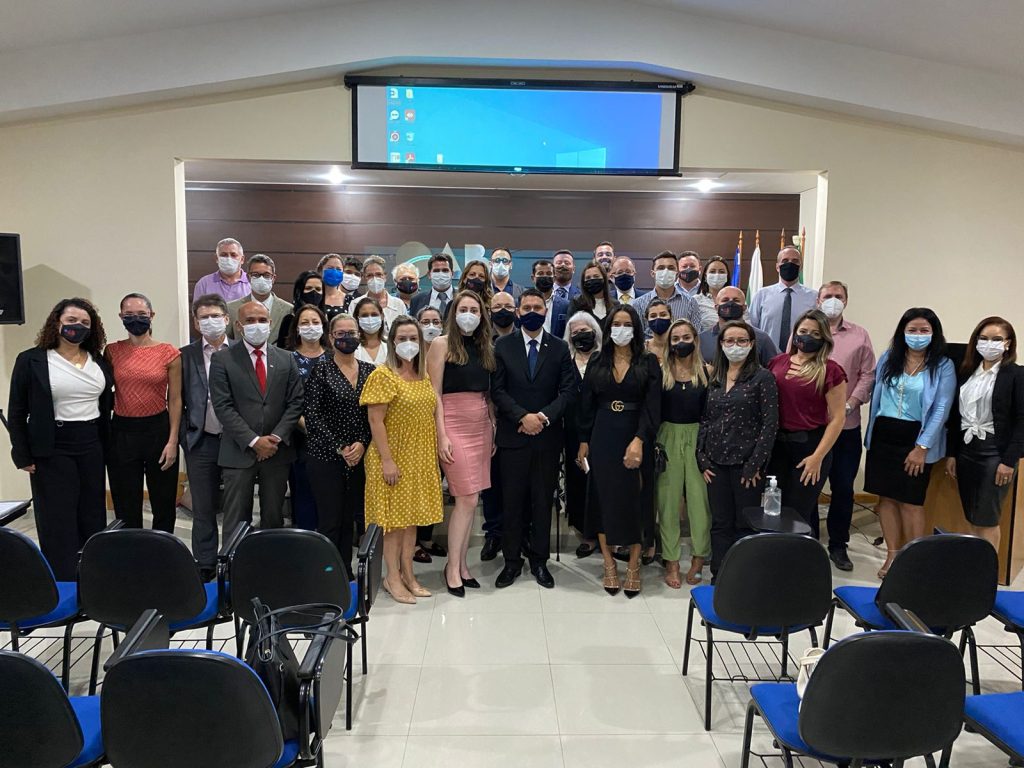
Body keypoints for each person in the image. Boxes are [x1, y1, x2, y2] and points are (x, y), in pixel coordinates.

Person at [8, 298, 113, 580]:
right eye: (71, 321)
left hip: (91, 443)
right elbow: (17, 411)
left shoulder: (98, 361)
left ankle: (92, 576)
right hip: (53, 446)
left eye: (85, 323)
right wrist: (22, 453)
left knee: (92, 513)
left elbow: (105, 405)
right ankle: (63, 579)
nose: (78, 326)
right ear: (57, 322)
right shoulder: (31, 360)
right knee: (57, 516)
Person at [492, 288, 576, 589]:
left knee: (542, 502)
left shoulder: (559, 348)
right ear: (518, 312)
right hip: (513, 436)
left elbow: (568, 391)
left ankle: (540, 561)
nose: (531, 312)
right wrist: (522, 417)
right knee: (512, 502)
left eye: (537, 307)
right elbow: (497, 390)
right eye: (525, 307)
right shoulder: (502, 345)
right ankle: (511, 562)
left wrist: (542, 417)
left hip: (546, 438)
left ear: (545, 311)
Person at [864, 308, 955, 578]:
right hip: (884, 433)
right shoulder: (889, 358)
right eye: (912, 330)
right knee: (886, 498)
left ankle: (913, 560)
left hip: (916, 436)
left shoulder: (943, 365)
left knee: (911, 501)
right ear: (902, 332)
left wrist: (922, 446)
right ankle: (893, 555)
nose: (917, 335)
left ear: (934, 334)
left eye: (924, 330)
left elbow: (941, 408)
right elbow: (877, 395)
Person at [577, 305, 661, 597]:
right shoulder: (597, 359)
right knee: (603, 499)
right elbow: (586, 403)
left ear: (636, 329)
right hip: (603, 434)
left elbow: (653, 406)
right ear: (608, 328)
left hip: (636, 434)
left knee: (635, 500)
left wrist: (640, 439)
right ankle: (609, 563)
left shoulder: (648, 361)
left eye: (627, 324)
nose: (621, 329)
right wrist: (584, 440)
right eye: (616, 324)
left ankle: (634, 565)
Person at [360, 317, 444, 604]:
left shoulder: (423, 375)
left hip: (418, 457)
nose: (408, 344)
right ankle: (392, 577)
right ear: (392, 342)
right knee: (393, 524)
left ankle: (409, 574)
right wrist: (387, 460)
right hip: (392, 456)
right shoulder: (383, 375)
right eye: (402, 338)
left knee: (411, 522)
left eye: (413, 338)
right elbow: (375, 421)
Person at [209, 301, 304, 532]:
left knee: (274, 519)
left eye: (262, 320)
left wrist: (275, 438)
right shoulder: (222, 359)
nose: (257, 325)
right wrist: (254, 441)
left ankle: (269, 556)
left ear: (270, 323)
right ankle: (234, 556)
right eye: (250, 321)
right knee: (236, 520)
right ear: (239, 326)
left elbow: (295, 402)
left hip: (277, 451)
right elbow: (223, 406)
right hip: (239, 450)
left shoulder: (287, 358)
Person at [697, 321, 779, 578]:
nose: (735, 346)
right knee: (720, 523)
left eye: (741, 340)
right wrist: (701, 457)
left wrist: (755, 464)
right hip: (715, 463)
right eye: (729, 341)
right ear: (721, 345)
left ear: (751, 344)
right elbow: (706, 419)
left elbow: (770, 425)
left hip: (747, 467)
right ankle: (719, 575)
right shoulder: (716, 378)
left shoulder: (763, 378)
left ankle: (741, 578)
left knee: (744, 524)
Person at [427, 290, 496, 596]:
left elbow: (488, 394)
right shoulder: (441, 344)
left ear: (482, 315)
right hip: (452, 424)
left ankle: (463, 565)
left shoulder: (485, 348)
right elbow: (434, 393)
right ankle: (452, 568)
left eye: (474, 309)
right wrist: (441, 435)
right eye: (463, 309)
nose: (469, 314)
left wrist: (493, 427)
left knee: (472, 497)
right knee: (465, 498)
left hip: (481, 425)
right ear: (453, 313)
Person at [766, 309, 848, 538]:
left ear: (824, 338)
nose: (807, 337)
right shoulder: (776, 362)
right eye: (803, 331)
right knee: (774, 511)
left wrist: (817, 457)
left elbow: (838, 418)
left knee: (798, 514)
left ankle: (801, 558)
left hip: (809, 447)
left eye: (815, 333)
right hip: (777, 447)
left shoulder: (831, 370)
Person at [304, 313, 374, 579]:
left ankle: (345, 570)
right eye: (341, 334)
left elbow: (374, 415)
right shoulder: (320, 370)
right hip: (326, 455)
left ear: (359, 335)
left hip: (359, 455)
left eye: (351, 333)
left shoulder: (370, 372)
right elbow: (312, 415)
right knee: (330, 519)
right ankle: (327, 574)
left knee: (349, 517)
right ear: (331, 338)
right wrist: (340, 447)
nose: (347, 338)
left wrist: (362, 443)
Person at [105, 293, 182, 532]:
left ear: (151, 315)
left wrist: (172, 441)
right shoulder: (112, 351)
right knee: (125, 499)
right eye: (129, 315)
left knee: (163, 499)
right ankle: (130, 548)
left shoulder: (169, 352)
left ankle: (163, 547)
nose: (135, 319)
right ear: (121, 317)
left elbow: (175, 399)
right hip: (122, 432)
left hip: (158, 430)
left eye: (141, 314)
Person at [946, 317, 1024, 552]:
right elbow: (955, 416)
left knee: (987, 518)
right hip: (967, 450)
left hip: (995, 454)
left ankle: (987, 571)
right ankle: (974, 566)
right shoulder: (967, 372)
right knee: (971, 515)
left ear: (1008, 343)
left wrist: (1008, 461)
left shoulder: (1016, 374)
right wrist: (952, 454)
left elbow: (1022, 421)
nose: (989, 343)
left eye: (997, 339)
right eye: (984, 338)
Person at [818, 281, 876, 571]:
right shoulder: (806, 331)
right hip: (812, 426)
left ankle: (838, 545)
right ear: (818, 301)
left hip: (847, 426)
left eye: (838, 296)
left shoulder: (859, 335)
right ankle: (807, 540)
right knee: (808, 486)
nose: (833, 300)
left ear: (846, 301)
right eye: (827, 296)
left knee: (843, 487)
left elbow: (868, 375)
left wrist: (850, 403)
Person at [179, 294, 230, 581]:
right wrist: (184, 436)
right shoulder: (184, 355)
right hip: (201, 439)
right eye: (204, 317)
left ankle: (233, 558)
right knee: (203, 506)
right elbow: (177, 400)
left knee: (236, 507)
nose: (210, 321)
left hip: (235, 440)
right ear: (196, 323)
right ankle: (205, 562)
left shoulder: (240, 352)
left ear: (226, 319)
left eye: (215, 316)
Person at [656, 319, 711, 587]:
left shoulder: (708, 372)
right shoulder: (661, 372)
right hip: (667, 437)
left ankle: (699, 558)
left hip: (699, 438)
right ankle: (672, 561)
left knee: (700, 502)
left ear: (695, 340)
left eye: (686, 337)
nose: (681, 343)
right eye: (675, 338)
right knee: (667, 502)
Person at [284, 304, 330, 531]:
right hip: (300, 437)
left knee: (330, 495)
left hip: (333, 438)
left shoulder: (335, 357)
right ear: (296, 328)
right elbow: (286, 400)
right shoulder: (287, 359)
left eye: (315, 322)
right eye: (305, 322)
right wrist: (310, 427)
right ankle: (305, 538)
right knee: (303, 491)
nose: (310, 327)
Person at [479, 291, 517, 561]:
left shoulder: (525, 339)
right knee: (491, 482)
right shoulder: (482, 343)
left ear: (516, 310)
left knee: (519, 483)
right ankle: (494, 533)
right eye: (497, 306)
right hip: (488, 421)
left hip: (520, 421)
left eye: (508, 306)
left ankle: (520, 533)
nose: (503, 310)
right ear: (490, 312)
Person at [563, 312, 603, 558]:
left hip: (603, 430)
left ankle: (607, 533)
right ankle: (586, 534)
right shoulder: (565, 361)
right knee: (578, 481)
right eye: (575, 332)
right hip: (572, 431)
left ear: (595, 332)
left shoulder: (605, 359)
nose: (580, 336)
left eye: (585, 331)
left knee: (604, 483)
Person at [413, 305, 448, 564]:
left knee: (433, 485)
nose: (431, 326)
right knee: (415, 488)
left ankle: (426, 537)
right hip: (414, 430)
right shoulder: (409, 354)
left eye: (436, 321)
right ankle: (412, 542)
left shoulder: (446, 351)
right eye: (425, 321)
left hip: (442, 425)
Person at [748, 247, 818, 353]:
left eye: (795, 261)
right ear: (777, 266)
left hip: (801, 356)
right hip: (766, 356)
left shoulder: (813, 297)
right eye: (785, 261)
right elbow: (752, 328)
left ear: (801, 267)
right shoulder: (761, 295)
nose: (790, 264)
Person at [699, 286, 779, 367]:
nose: (730, 303)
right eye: (725, 300)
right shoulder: (701, 339)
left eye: (736, 300)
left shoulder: (761, 338)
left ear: (744, 308)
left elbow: (774, 369)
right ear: (716, 308)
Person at [226, 254, 293, 344]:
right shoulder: (231, 308)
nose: (261, 279)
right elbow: (228, 341)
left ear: (273, 278)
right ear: (248, 277)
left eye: (266, 275)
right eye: (255, 275)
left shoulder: (288, 309)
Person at [634, 251, 701, 334]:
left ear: (677, 274)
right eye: (661, 268)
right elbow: (638, 337)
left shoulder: (691, 303)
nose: (666, 271)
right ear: (652, 273)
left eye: (671, 268)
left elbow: (696, 336)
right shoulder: (639, 304)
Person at [351, 255, 404, 331]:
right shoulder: (355, 304)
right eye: (370, 275)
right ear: (365, 278)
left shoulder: (399, 304)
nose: (375, 279)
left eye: (378, 274)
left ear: (385, 276)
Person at [193, 237, 250, 304]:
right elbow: (198, 309)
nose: (229, 259)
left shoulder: (251, 282)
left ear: (242, 259)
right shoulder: (204, 284)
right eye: (224, 255)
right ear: (216, 258)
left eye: (233, 255)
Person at [694, 255, 744, 331]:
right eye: (712, 271)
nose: (717, 275)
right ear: (705, 276)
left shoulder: (737, 299)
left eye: (721, 272)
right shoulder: (695, 301)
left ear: (727, 276)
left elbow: (747, 323)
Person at [276, 270, 325, 347]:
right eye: (308, 288)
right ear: (299, 291)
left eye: (318, 289)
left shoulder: (326, 319)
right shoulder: (289, 319)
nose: (314, 292)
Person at [531, 259, 570, 337]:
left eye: (549, 273)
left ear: (554, 278)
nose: (545, 276)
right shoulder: (521, 303)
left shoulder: (566, 305)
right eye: (540, 273)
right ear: (533, 278)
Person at [409, 252, 455, 319]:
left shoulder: (462, 298)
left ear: (452, 274)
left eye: (445, 270)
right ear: (429, 274)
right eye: (436, 270)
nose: (441, 274)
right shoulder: (416, 300)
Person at [319, 253, 362, 322]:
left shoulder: (350, 300)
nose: (334, 272)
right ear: (321, 270)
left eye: (338, 269)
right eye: (330, 268)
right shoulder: (314, 295)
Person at [354, 296, 388, 366]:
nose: (370, 319)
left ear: (382, 316)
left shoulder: (391, 346)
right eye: (364, 315)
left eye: (374, 314)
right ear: (358, 318)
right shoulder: (353, 348)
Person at [644, 298, 673, 363]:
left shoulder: (677, 346)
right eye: (653, 316)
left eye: (663, 315)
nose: (658, 318)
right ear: (647, 320)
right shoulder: (643, 349)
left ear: (671, 317)